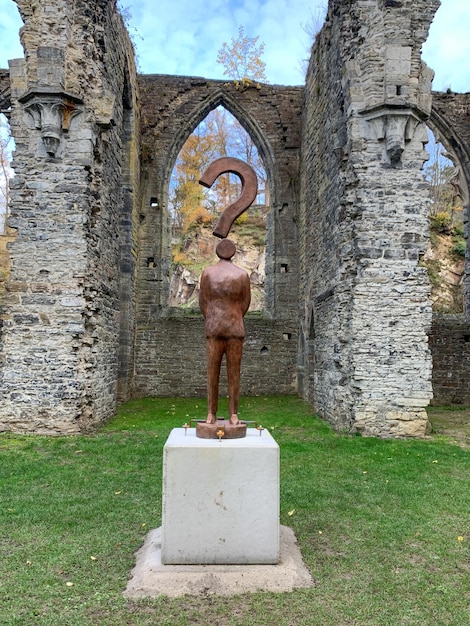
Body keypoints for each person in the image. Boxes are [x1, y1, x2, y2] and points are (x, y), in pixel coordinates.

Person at [199, 238, 251, 426]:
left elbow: (203, 303)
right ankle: (232, 414)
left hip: (219, 328)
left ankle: (213, 413)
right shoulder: (242, 274)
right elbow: (245, 304)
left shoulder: (209, 273)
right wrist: (233, 316)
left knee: (214, 372)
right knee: (233, 373)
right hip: (232, 327)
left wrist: (213, 317)